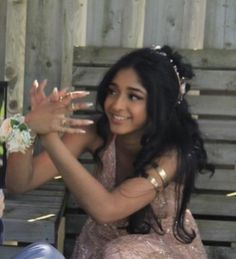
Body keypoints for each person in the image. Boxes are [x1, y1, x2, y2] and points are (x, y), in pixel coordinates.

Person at [3, 46, 211, 258]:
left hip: (158, 251)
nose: (117, 105)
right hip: (100, 247)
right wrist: (28, 126)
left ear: (160, 103)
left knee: (121, 252)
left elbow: (106, 210)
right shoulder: (94, 132)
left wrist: (49, 136)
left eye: (134, 96)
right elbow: (20, 182)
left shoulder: (172, 155)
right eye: (113, 91)